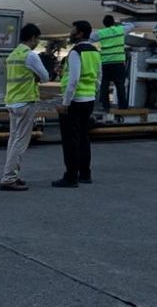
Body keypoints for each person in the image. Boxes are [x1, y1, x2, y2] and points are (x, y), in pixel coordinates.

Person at [52, 20, 101, 188]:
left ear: (80, 33)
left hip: (75, 101)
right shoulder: (95, 51)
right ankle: (85, 173)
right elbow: (98, 78)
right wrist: (94, 97)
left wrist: (65, 103)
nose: (70, 33)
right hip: (88, 100)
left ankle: (70, 176)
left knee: (70, 140)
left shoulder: (75, 52)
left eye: (73, 30)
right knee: (84, 138)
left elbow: (73, 79)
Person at [0, 23, 49, 191]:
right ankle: (9, 178)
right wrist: (36, 77)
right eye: (37, 39)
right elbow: (45, 77)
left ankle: (12, 174)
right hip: (26, 102)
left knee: (13, 140)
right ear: (33, 38)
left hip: (12, 101)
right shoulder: (30, 56)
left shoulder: (13, 55)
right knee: (20, 141)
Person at [92, 15, 134, 112]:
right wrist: (119, 23)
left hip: (106, 62)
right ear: (113, 22)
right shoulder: (120, 30)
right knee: (120, 85)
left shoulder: (101, 33)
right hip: (118, 62)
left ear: (104, 23)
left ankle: (105, 105)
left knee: (105, 84)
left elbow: (91, 38)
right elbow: (131, 25)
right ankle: (122, 106)